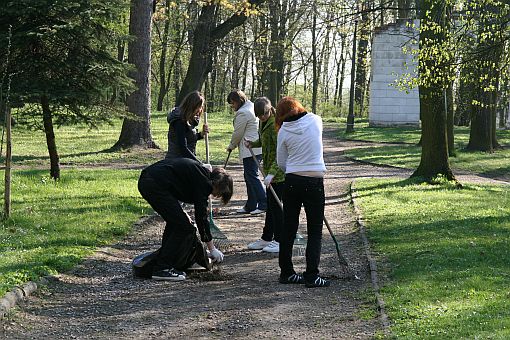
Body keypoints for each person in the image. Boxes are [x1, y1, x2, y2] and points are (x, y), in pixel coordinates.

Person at [138, 157, 233, 281]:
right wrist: (212, 248)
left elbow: (174, 185)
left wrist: (182, 212)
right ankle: (162, 268)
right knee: (183, 228)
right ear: (217, 185)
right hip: (154, 184)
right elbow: (201, 219)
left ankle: (166, 262)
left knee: (177, 223)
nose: (214, 196)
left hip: (149, 180)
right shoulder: (204, 184)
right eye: (218, 194)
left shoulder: (200, 173)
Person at [275, 96, 330, 288]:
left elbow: (281, 163)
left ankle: (287, 272)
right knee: (315, 230)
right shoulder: (316, 120)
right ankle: (312, 275)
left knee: (288, 227)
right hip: (314, 180)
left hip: (292, 181)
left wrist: (294, 164)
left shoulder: (283, 132)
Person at [244, 97, 285, 253]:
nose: (262, 117)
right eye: (259, 115)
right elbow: (263, 142)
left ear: (269, 110)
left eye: (264, 114)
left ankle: (280, 240)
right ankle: (267, 238)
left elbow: (280, 153)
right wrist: (252, 144)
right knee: (271, 206)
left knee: (277, 207)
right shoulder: (263, 122)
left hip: (280, 173)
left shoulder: (276, 125)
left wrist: (273, 173)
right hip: (269, 171)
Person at [226, 90, 267, 215]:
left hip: (250, 148)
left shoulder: (243, 113)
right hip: (255, 147)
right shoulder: (251, 106)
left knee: (252, 176)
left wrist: (231, 146)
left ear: (239, 101)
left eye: (233, 103)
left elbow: (238, 133)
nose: (232, 106)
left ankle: (264, 202)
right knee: (249, 175)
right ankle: (251, 204)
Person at [166, 91, 209, 161]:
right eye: (198, 107)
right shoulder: (179, 121)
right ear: (191, 106)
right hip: (176, 161)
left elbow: (189, 138)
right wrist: (200, 164)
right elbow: (183, 148)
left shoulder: (189, 120)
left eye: (201, 107)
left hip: (186, 160)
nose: (200, 110)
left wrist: (202, 133)